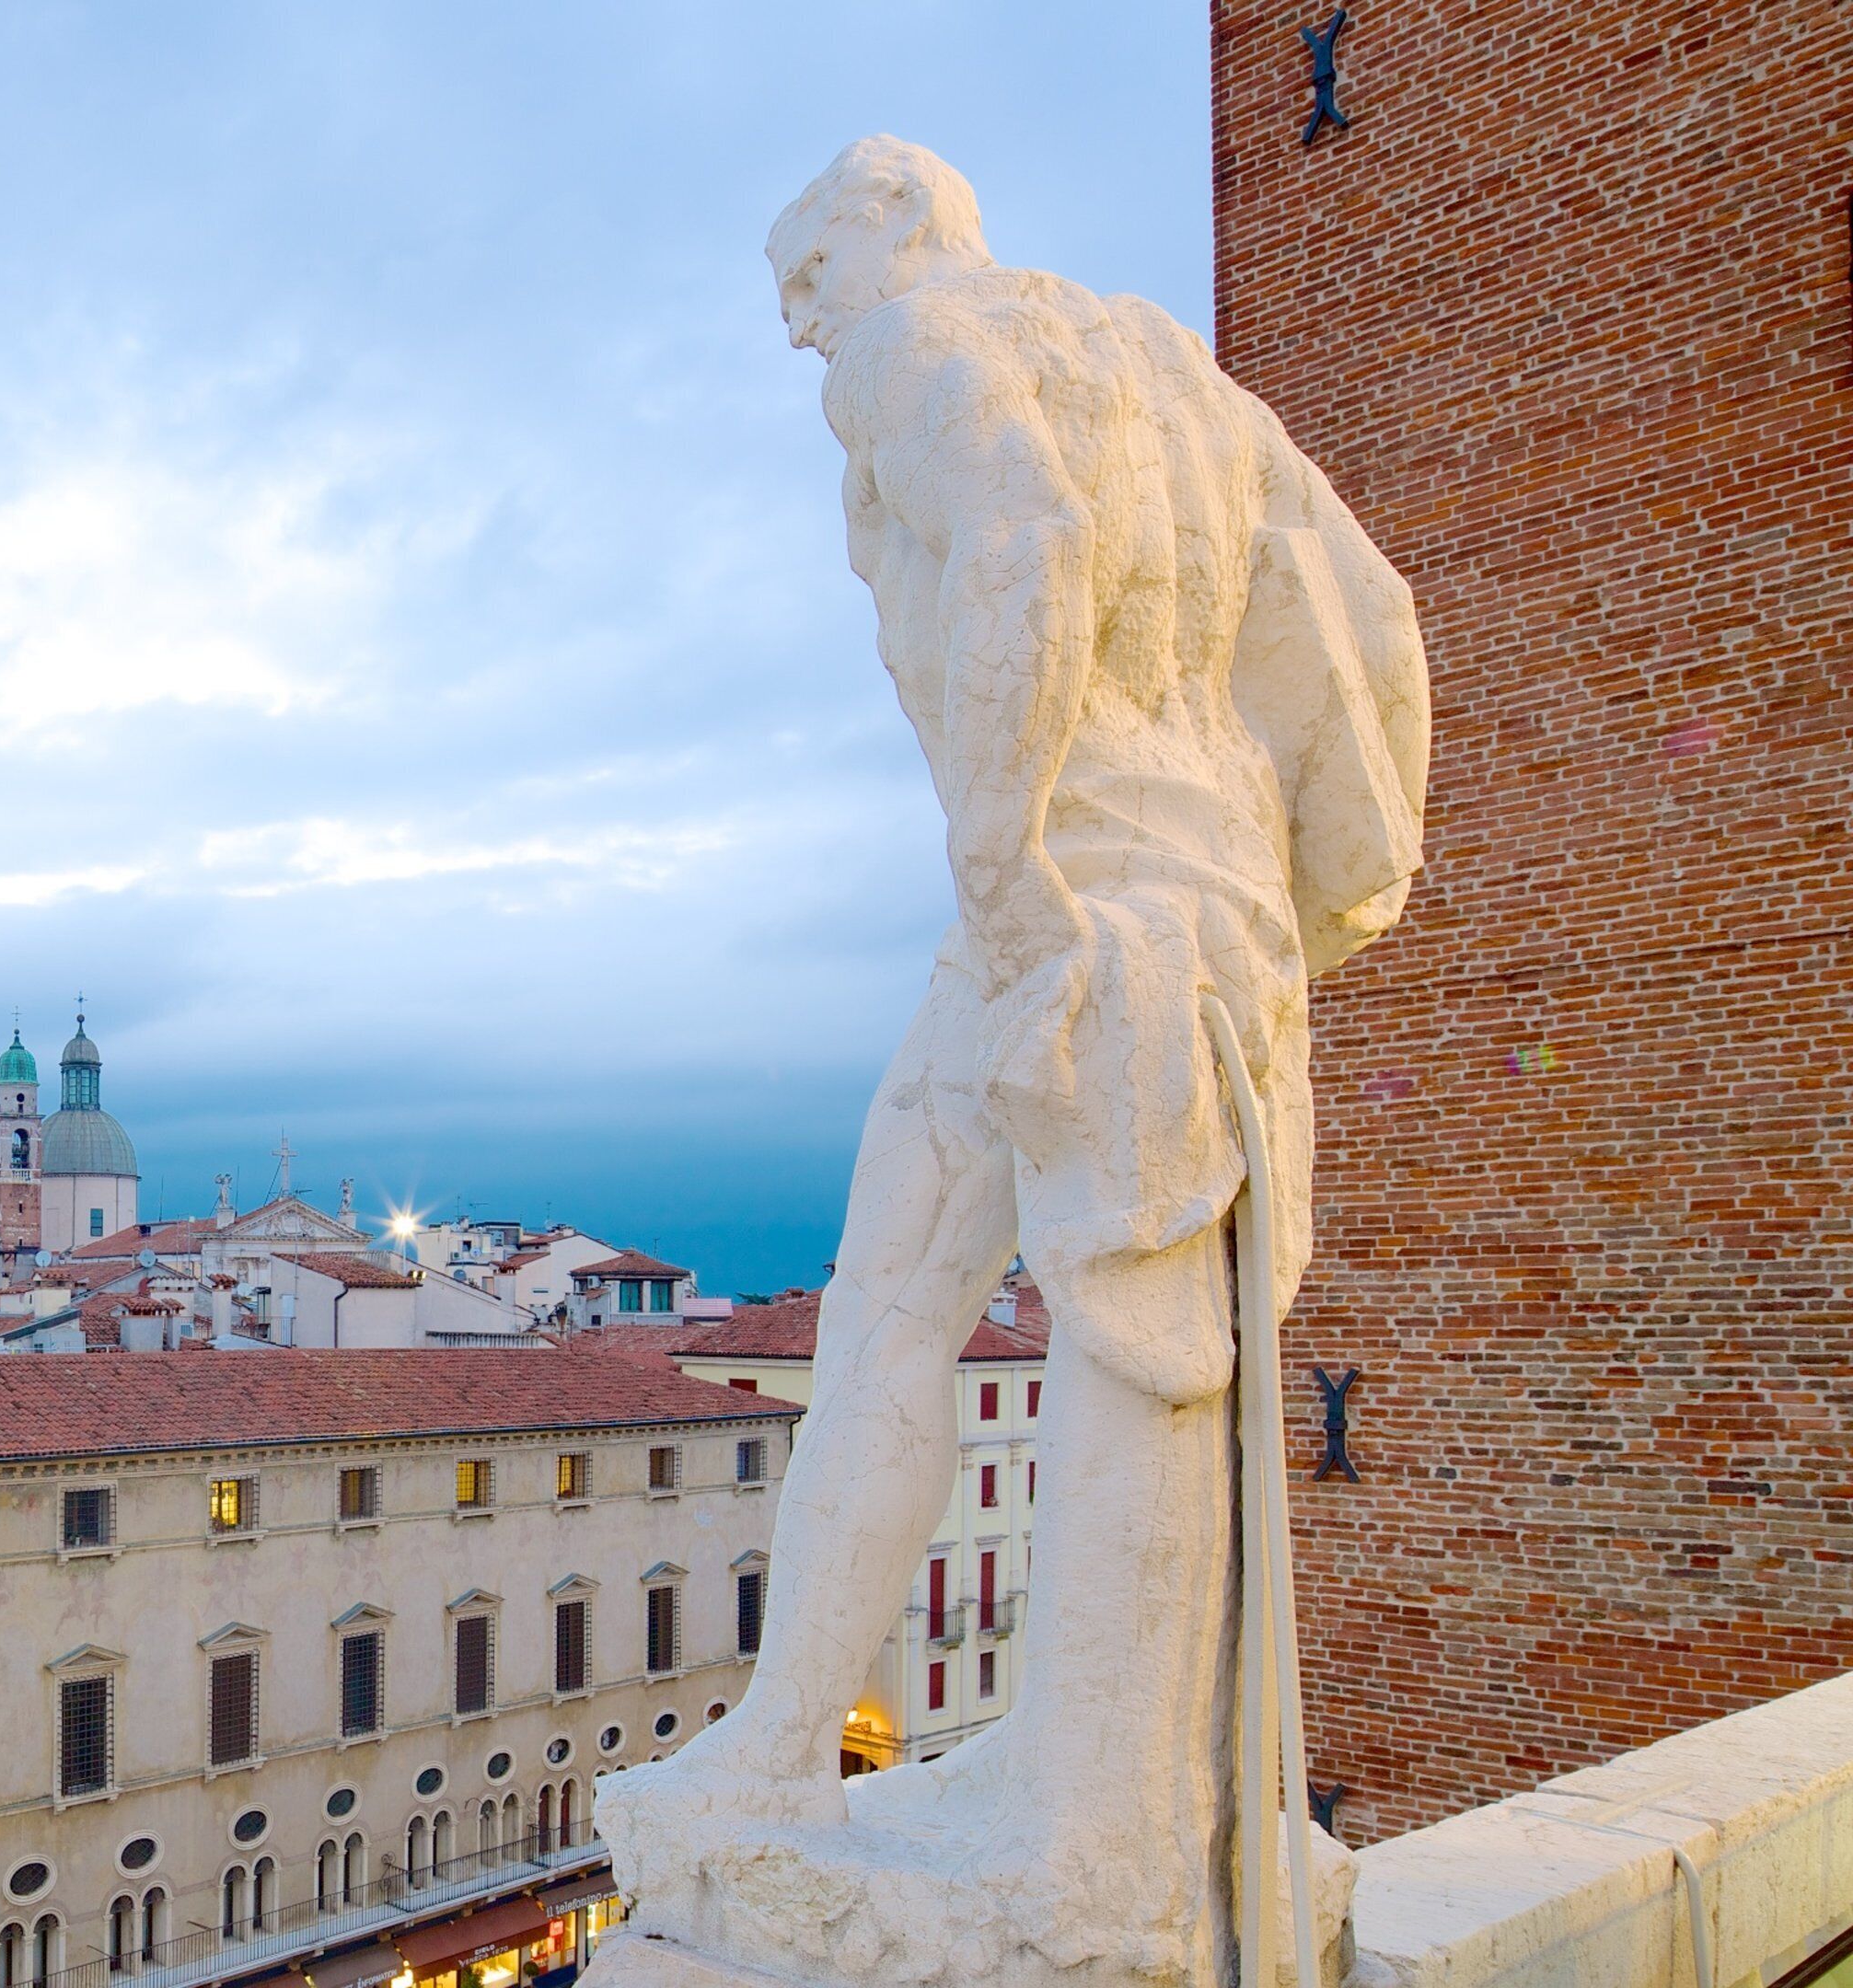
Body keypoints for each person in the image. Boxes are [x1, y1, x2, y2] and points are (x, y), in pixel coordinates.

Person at [595, 135, 1421, 1984]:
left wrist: (1005, 852)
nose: (802, 329)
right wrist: (1307, 900)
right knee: (997, 1319)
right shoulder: (1187, 389)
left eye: (808, 276)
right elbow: (1365, 628)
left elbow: (1030, 534)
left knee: (999, 1329)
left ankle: (1062, 1847)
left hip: (1063, 903)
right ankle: (855, 1759)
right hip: (1198, 913)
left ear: (892, 229)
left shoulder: (923, 343)